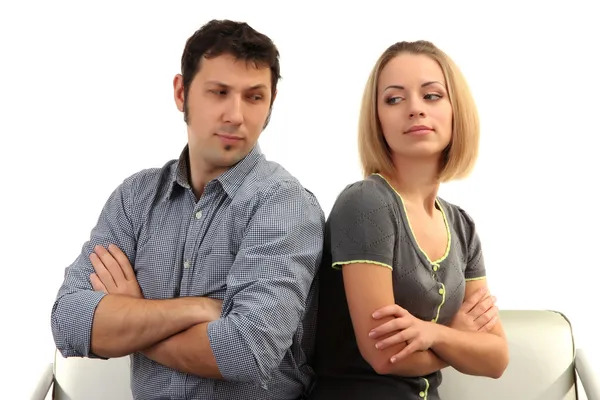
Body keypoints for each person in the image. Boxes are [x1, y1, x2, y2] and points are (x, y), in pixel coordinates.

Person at [50, 19, 325, 400]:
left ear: (271, 105)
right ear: (182, 93)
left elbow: (246, 350)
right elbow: (69, 321)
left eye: (254, 97)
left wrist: (133, 316)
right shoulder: (136, 199)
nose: (236, 115)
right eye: (219, 92)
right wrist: (196, 309)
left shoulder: (283, 205)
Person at [308, 41, 509, 400]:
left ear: (455, 110)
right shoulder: (365, 203)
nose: (415, 109)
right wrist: (459, 336)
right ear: (378, 119)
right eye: (394, 99)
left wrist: (434, 334)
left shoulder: (462, 226)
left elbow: (496, 358)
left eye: (431, 96)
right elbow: (385, 355)